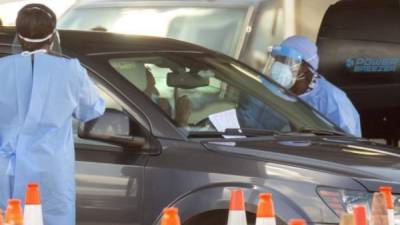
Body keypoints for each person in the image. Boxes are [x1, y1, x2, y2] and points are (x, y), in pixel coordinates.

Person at [0, 4, 105, 225]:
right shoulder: (70, 70)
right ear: (53, 34)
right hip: (50, 172)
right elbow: (91, 109)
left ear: (18, 35)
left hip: (5, 170)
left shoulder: (2, 69)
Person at [265, 36, 361, 137]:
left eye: (284, 61)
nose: (277, 66)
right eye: (277, 60)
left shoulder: (333, 101)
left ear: (304, 68)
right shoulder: (272, 90)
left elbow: (344, 145)